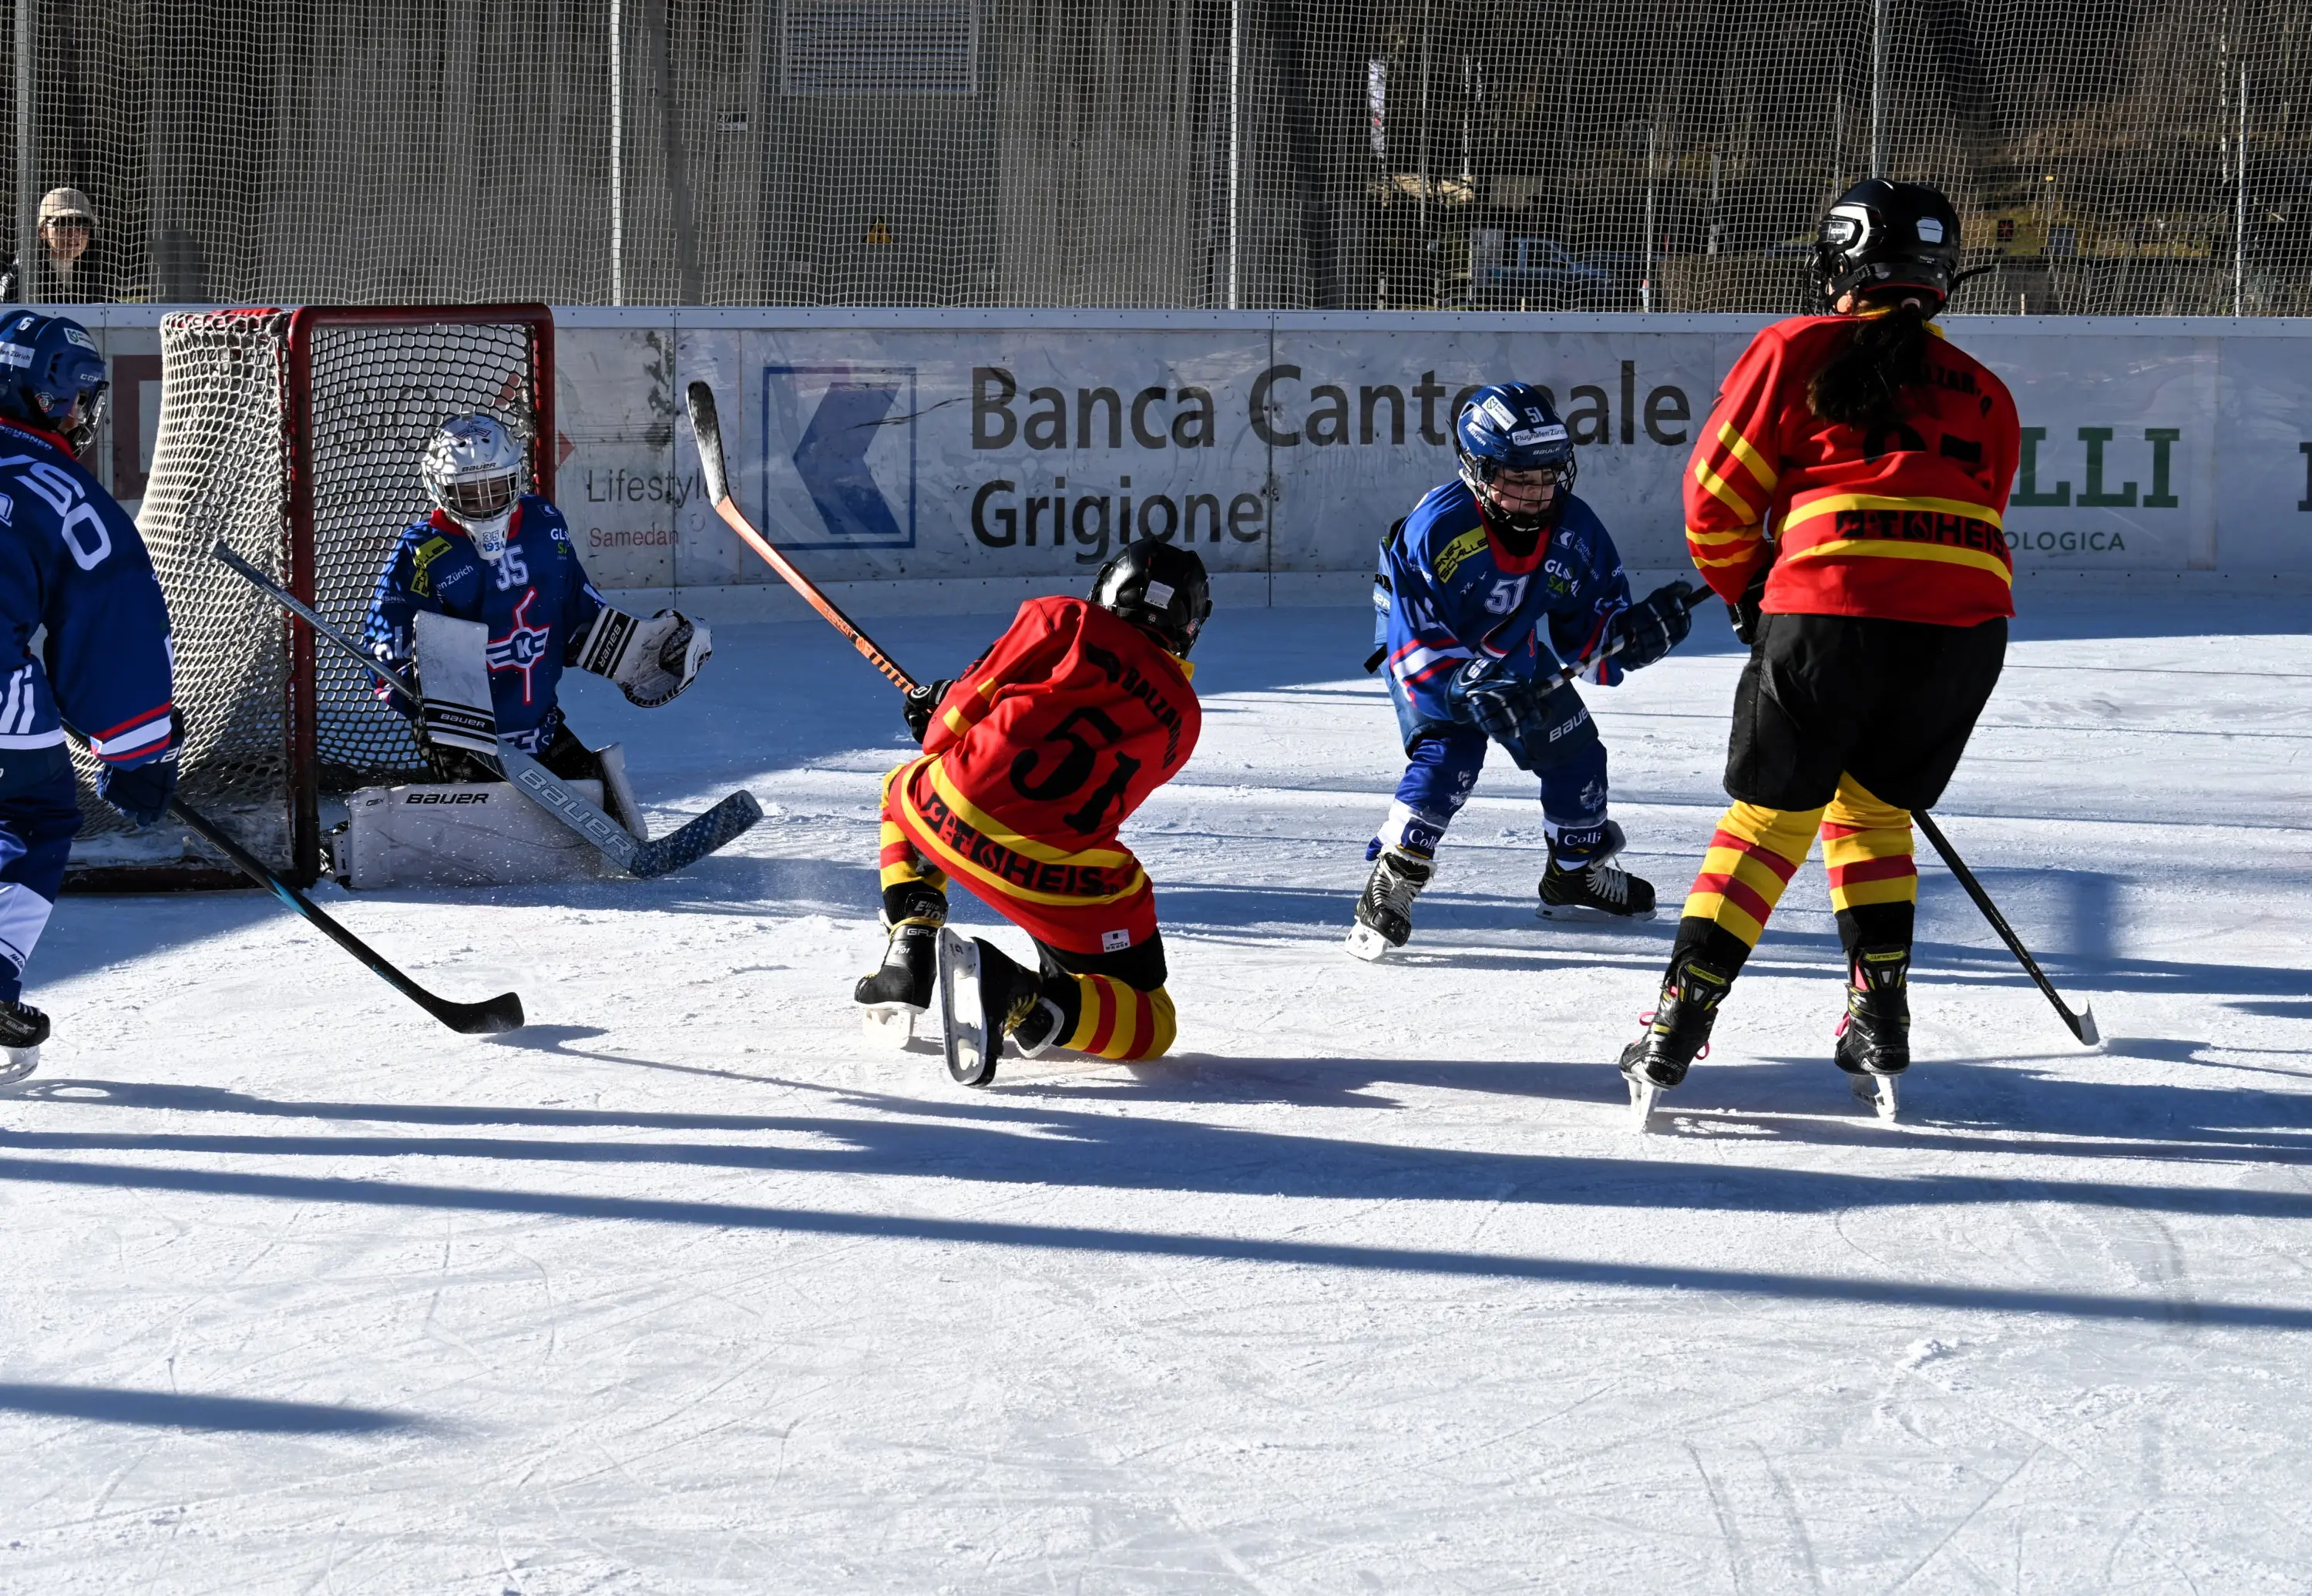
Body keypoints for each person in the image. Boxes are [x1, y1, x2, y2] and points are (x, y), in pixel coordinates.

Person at [1618, 177, 2021, 1113]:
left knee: (1767, 823)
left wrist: (1752, 589)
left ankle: (1678, 1024)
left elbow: (1715, 500)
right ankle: (1880, 1018)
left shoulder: (1795, 348)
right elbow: (1972, 519)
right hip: (1966, 630)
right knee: (1874, 816)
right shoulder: (1990, 394)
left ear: (1841, 261)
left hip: (1830, 609)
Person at [1349, 382, 1696, 959]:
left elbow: (1590, 634)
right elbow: (1415, 658)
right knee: (1451, 748)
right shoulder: (1435, 529)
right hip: (1433, 647)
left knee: (1573, 744)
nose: (1537, 494)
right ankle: (1394, 876)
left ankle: (1573, 872)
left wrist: (1634, 636)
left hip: (1509, 646)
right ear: (1477, 472)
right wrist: (1465, 688)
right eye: (1518, 479)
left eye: (1547, 476)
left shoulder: (1575, 529)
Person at [855, 539, 1209, 1074]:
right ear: (1189, 625)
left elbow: (944, 731)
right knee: (1154, 1021)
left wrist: (939, 704)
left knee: (901, 786)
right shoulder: (1185, 718)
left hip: (948, 817)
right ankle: (1034, 999)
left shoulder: (1061, 617)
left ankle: (910, 946)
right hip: (1056, 875)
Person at [0, 311, 178, 1083]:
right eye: (67, 399)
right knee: (32, 814)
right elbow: (115, 623)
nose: (77, 416)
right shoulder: (60, 486)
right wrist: (136, 748)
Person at [365, 414, 711, 788]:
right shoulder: (423, 551)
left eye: (496, 487)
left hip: (539, 724)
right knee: (497, 835)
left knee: (604, 815)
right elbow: (387, 645)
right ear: (441, 490)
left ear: (516, 478)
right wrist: (426, 696)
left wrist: (648, 648)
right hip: (463, 739)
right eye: (468, 492)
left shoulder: (543, 523)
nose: (485, 503)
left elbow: (578, 609)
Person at [0, 189, 112, 304]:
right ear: (42, 231)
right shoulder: (19, 280)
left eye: (83, 224)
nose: (74, 232)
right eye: (62, 223)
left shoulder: (98, 279)